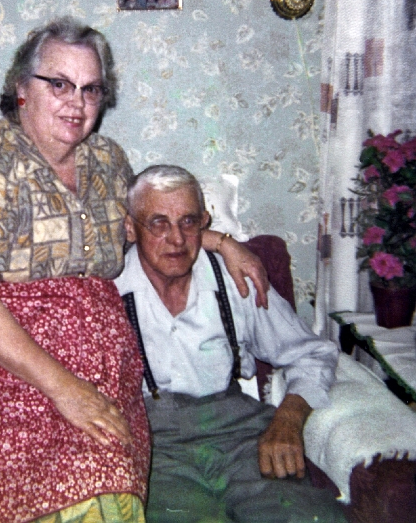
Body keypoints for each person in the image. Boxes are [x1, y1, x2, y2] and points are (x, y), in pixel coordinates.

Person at [0, 19, 269, 523]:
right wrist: (66, 390)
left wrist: (222, 242)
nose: (77, 103)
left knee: (106, 474)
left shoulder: (107, 161)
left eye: (90, 89)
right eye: (59, 84)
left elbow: (148, 228)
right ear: (21, 89)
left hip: (86, 378)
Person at [114, 165, 347, 523]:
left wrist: (288, 418)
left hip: (242, 436)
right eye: (158, 223)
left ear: (204, 222)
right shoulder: (106, 289)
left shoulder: (236, 279)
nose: (177, 239)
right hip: (153, 446)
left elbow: (312, 354)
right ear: (130, 227)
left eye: (188, 222)